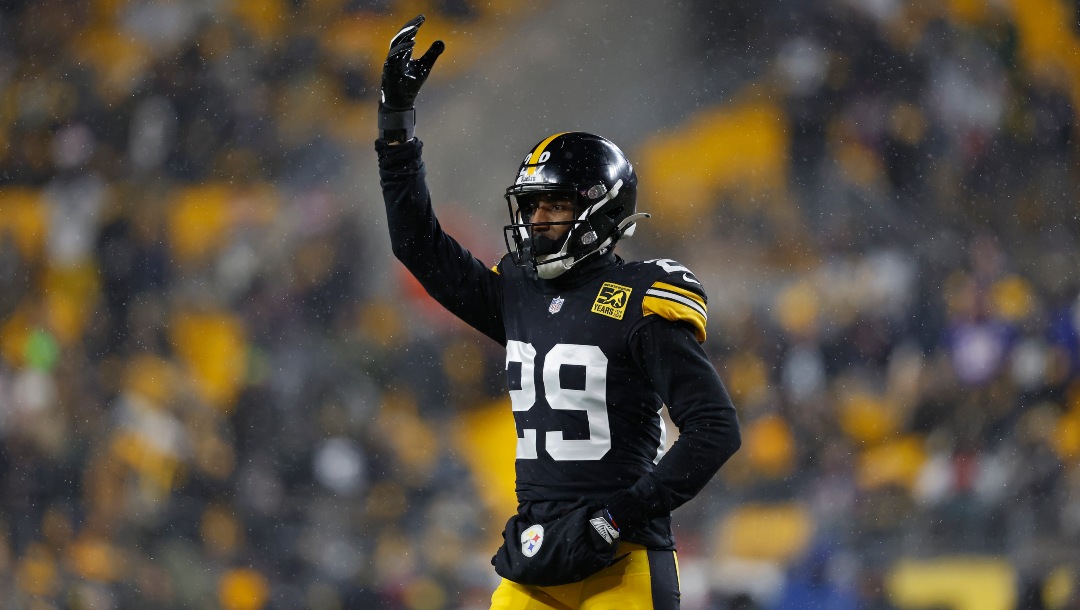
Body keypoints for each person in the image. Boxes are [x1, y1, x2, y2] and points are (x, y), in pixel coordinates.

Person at [375, 15, 741, 609]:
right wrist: (396, 131)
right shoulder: (517, 290)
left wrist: (618, 517)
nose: (539, 218)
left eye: (557, 204)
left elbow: (715, 429)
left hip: (620, 563)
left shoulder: (639, 299)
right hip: (537, 554)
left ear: (600, 210)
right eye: (533, 204)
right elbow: (417, 245)